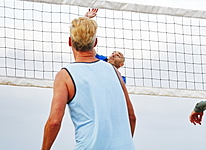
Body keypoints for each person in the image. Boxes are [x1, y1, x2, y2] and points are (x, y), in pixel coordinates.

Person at [42, 17, 136, 150]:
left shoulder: (65, 75)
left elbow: (54, 122)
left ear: (70, 42)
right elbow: (131, 117)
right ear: (95, 42)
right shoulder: (115, 72)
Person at [85, 8, 127, 83]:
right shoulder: (100, 60)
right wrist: (86, 19)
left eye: (118, 55)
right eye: (113, 53)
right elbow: (88, 44)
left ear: (121, 64)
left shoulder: (120, 79)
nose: (114, 54)